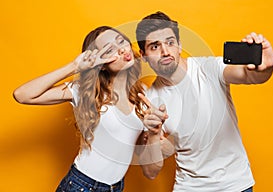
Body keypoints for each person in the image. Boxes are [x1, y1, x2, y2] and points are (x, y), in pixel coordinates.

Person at [13, 26, 166, 192]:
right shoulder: (84, 92)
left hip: (116, 188)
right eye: (109, 50)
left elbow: (151, 172)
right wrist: (74, 66)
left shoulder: (143, 95)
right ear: (100, 64)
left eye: (121, 42)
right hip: (81, 186)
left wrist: (155, 133)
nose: (122, 50)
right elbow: (22, 95)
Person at [135, 11, 273, 192]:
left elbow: (249, 75)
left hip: (235, 185)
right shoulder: (150, 99)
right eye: (154, 46)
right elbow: (150, 171)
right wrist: (153, 133)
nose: (165, 52)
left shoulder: (209, 68)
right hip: (190, 187)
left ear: (179, 45)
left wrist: (265, 67)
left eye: (170, 42)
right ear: (143, 55)